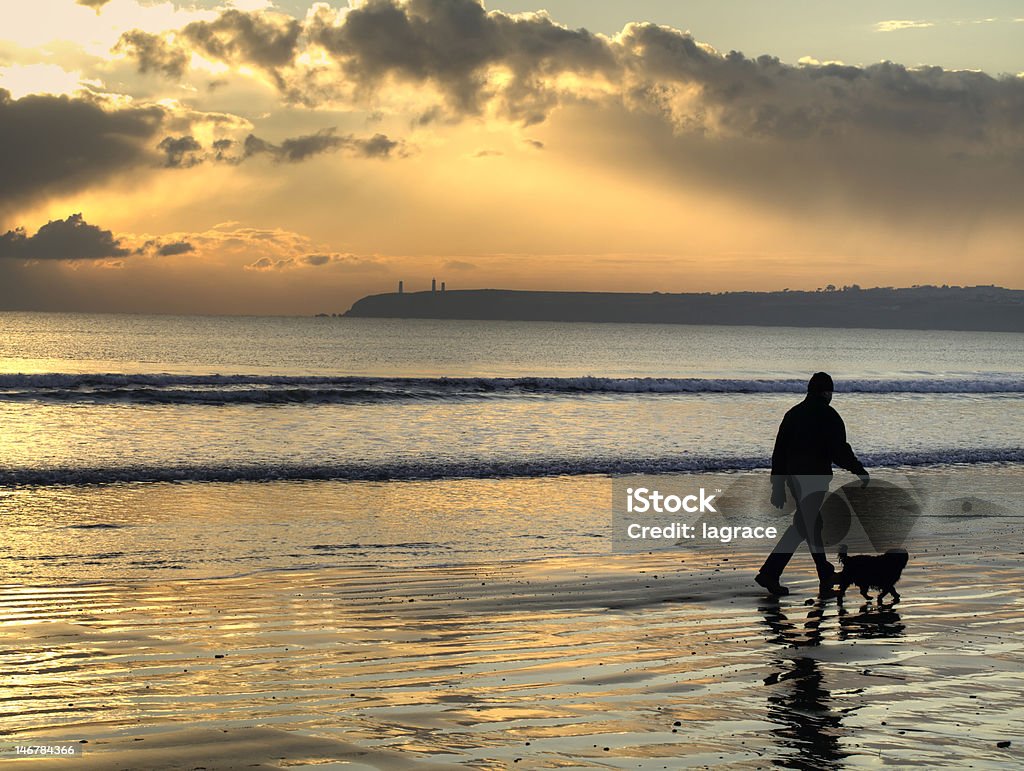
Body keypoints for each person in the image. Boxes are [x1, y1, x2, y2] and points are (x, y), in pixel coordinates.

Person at [755, 372, 869, 596]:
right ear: (826, 392)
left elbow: (779, 453)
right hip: (815, 479)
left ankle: (791, 573)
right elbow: (839, 451)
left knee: (808, 524)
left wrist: (777, 485)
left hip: (794, 479)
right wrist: (858, 469)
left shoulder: (793, 414)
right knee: (807, 525)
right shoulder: (829, 415)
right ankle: (803, 575)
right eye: (830, 391)